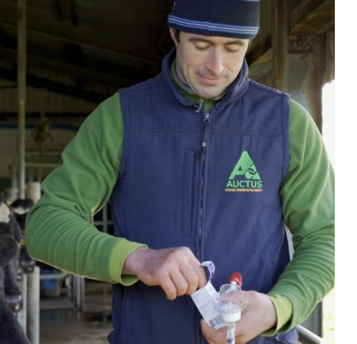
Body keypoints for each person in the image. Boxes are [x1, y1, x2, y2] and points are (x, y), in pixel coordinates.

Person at [26, 0, 334, 343]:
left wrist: (280, 307)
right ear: (174, 33)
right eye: (201, 45)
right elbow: (45, 224)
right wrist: (137, 259)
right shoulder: (121, 117)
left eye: (234, 48)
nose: (216, 66)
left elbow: (326, 237)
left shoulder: (286, 123)